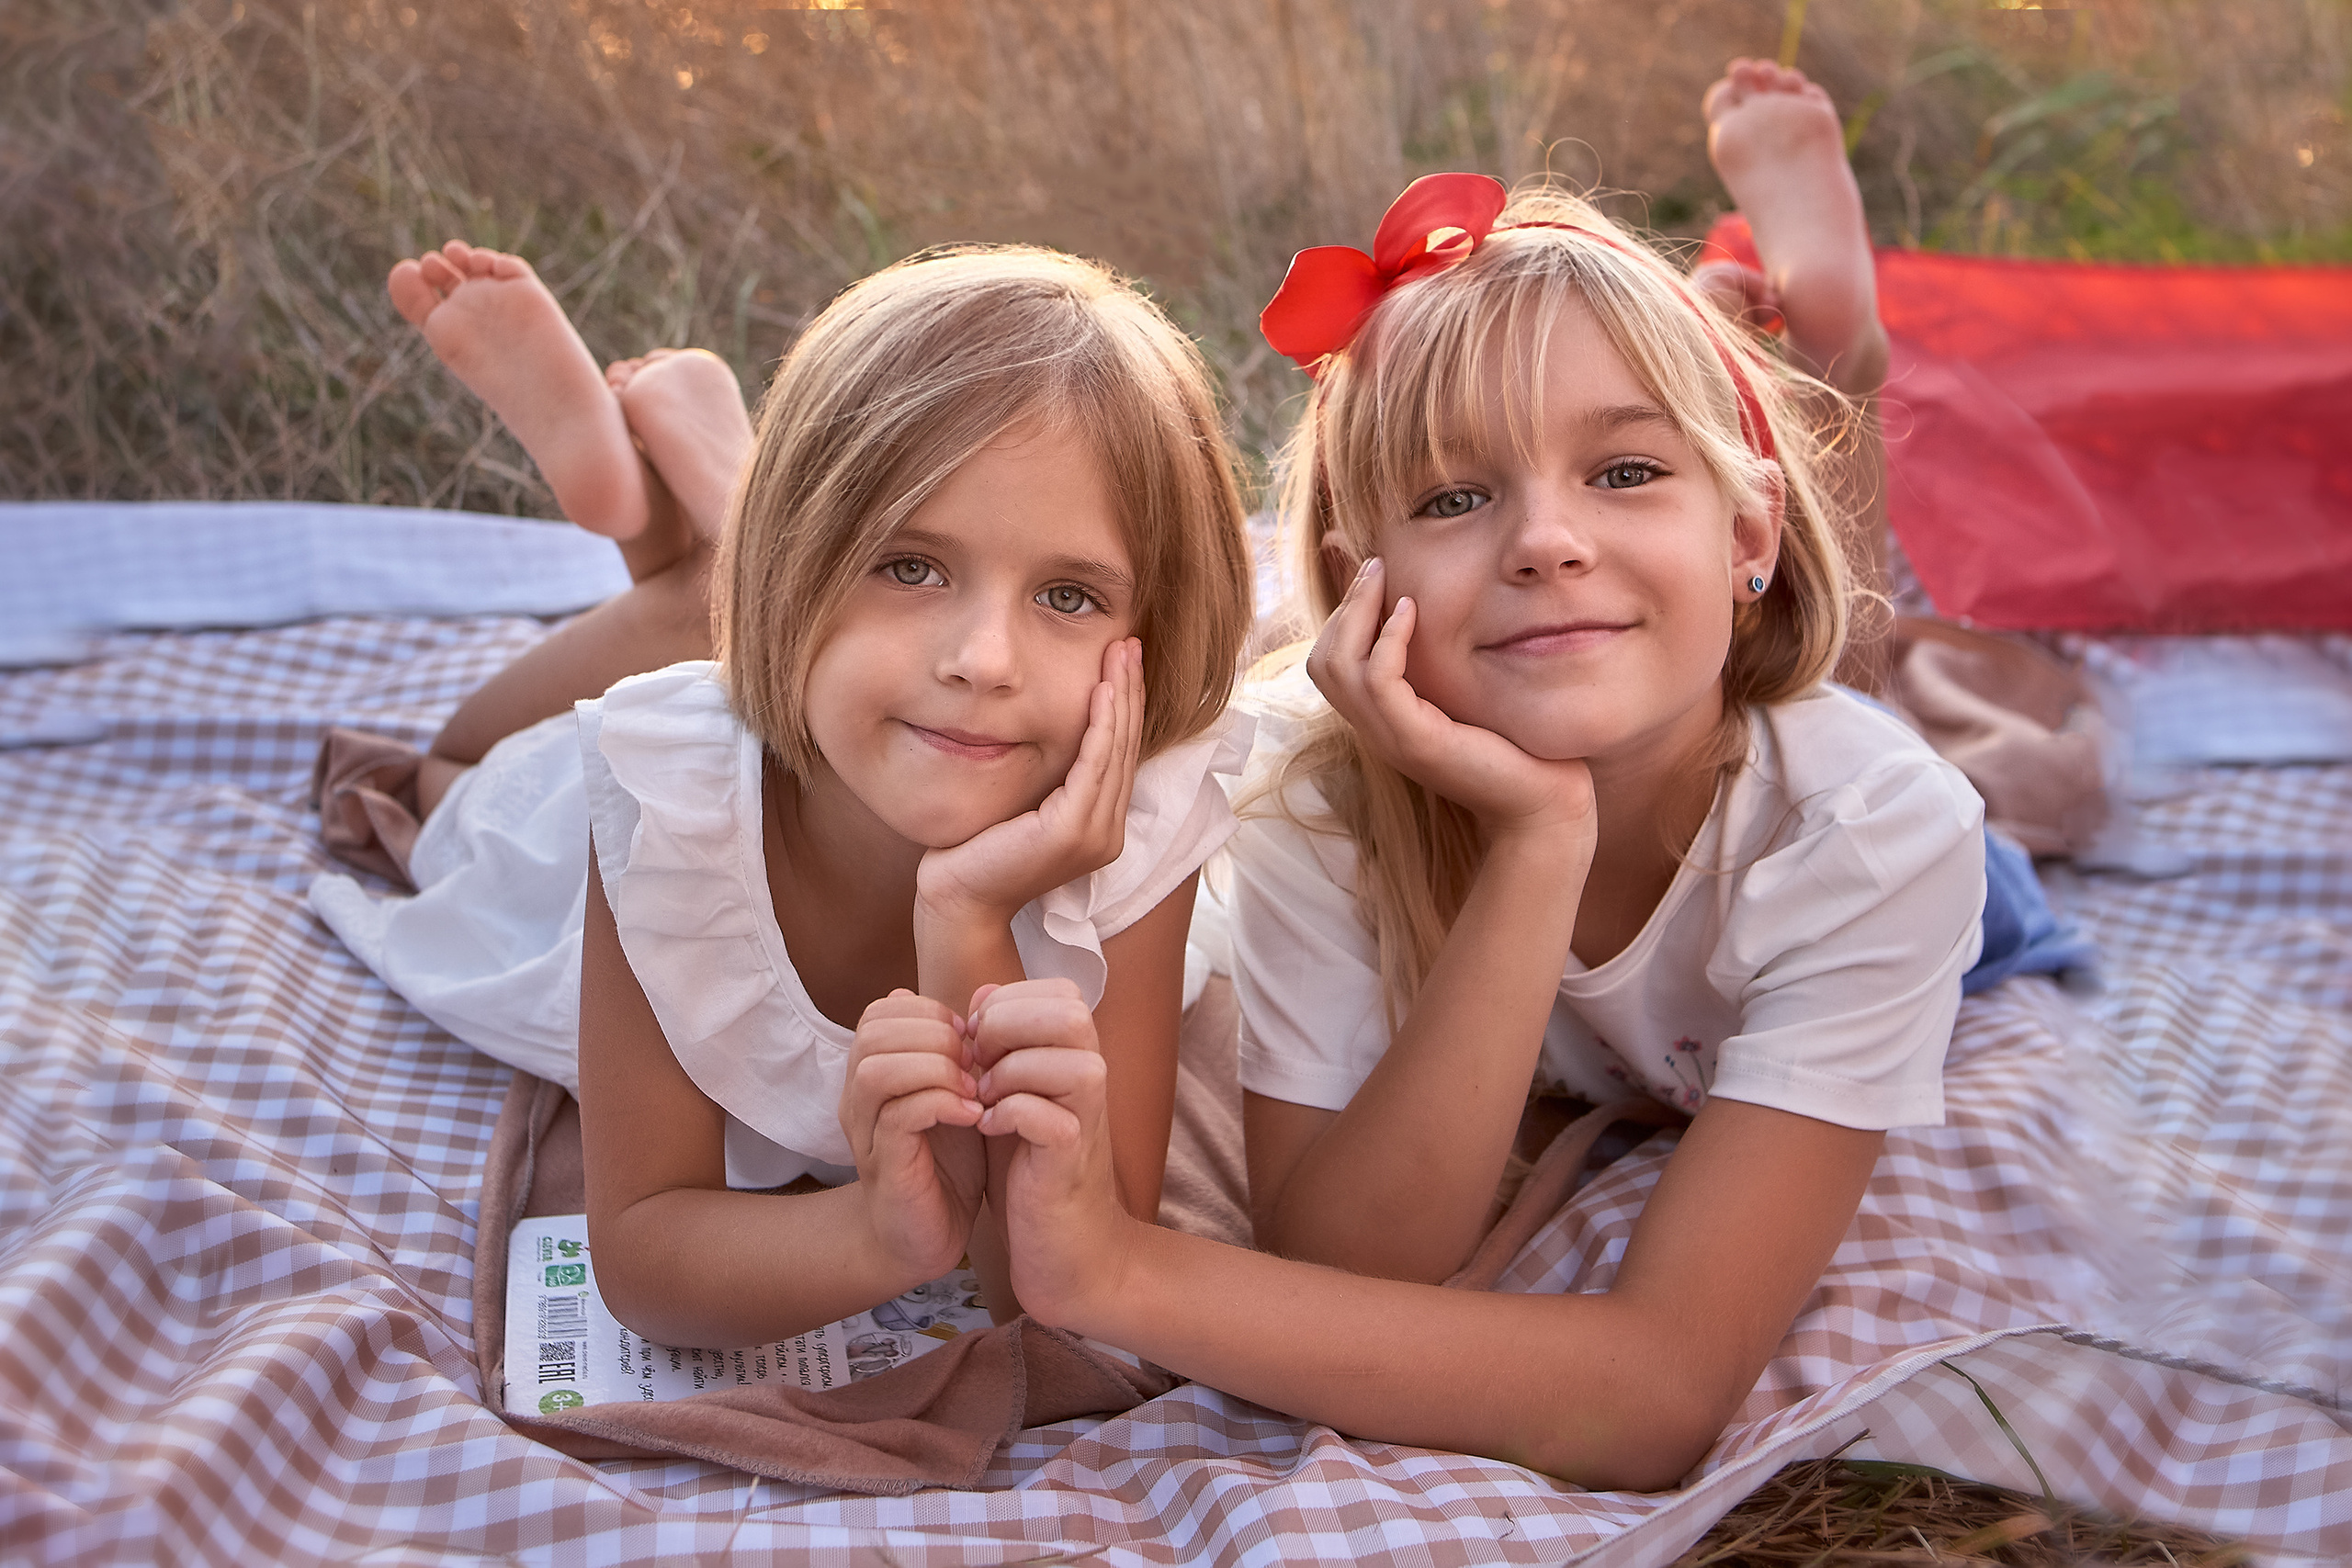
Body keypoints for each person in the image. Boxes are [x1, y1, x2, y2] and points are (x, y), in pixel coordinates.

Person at [967, 62, 1989, 1491]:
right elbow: (1351, 1257)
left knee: (1906, 703)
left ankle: (1822, 336)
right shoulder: (1307, 795)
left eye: (1625, 471)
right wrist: (1536, 842)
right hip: (1520, 771)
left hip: (1906, 860)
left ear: (1748, 534)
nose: (1544, 541)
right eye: (1455, 498)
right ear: (1352, 588)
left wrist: (1117, 1275)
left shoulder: (1870, 837)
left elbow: (1654, 1396)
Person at [311, 241, 1257, 1348]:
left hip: (829, 669)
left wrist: (970, 921)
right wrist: (877, 1236)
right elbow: (646, 1253)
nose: (985, 659)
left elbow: (1059, 1276)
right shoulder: (672, 804)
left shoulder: (1137, 821)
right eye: (911, 565)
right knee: (445, 784)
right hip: (578, 836)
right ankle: (688, 545)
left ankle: (707, 523)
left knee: (808, 646)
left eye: (1067, 595)